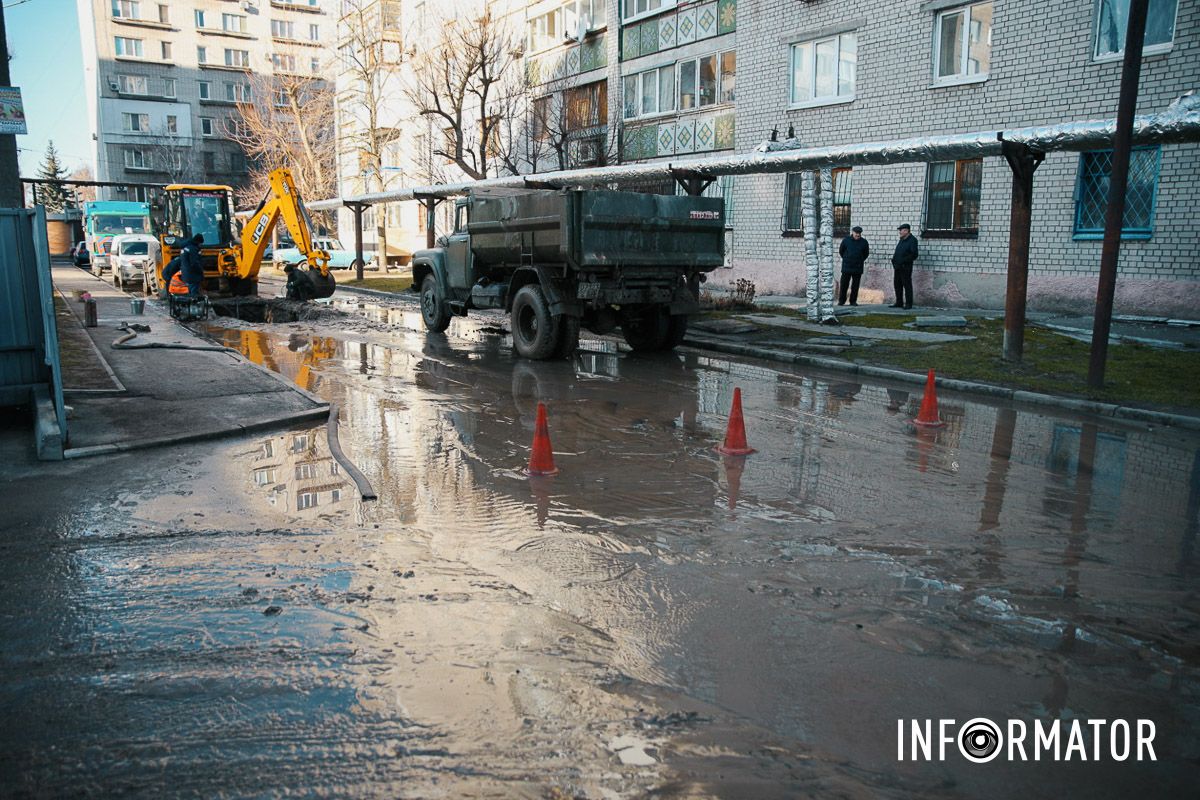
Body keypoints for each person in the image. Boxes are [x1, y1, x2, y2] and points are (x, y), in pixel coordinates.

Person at [837, 226, 869, 306]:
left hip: (858, 267)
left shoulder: (864, 242)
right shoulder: (846, 240)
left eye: (859, 233)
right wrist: (847, 258)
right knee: (844, 285)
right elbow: (841, 251)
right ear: (853, 232)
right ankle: (841, 301)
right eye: (856, 233)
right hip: (847, 266)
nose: (858, 235)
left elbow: (866, 254)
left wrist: (860, 259)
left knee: (855, 286)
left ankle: (853, 301)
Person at [891, 223, 919, 309]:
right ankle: (899, 302)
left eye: (901, 230)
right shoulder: (902, 239)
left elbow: (914, 254)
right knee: (897, 285)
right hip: (897, 267)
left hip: (905, 267)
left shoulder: (912, 240)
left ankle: (908, 304)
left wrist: (903, 261)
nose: (900, 232)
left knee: (907, 285)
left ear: (906, 231)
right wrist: (894, 260)